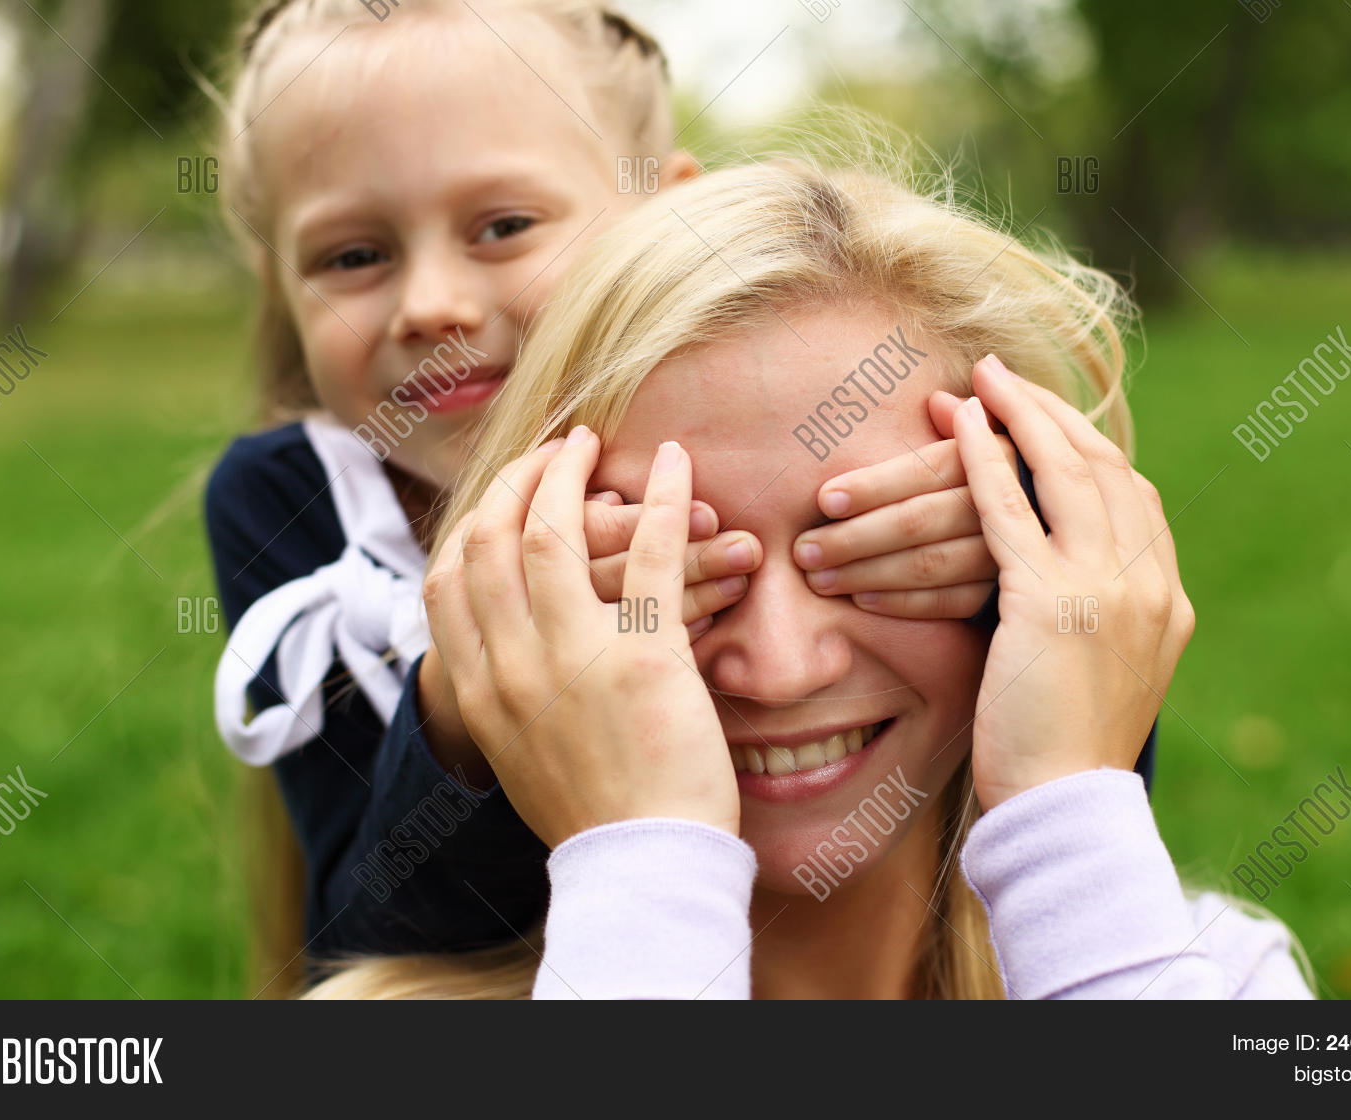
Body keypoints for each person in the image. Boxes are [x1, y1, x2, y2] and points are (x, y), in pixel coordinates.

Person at [309, 158, 1310, 998]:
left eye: (877, 552)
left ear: (1044, 550)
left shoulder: (1217, 977)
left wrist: (1067, 812)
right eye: (666, 568)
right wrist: (645, 863)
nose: (778, 668)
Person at [203, 1, 1012, 966]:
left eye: (503, 227)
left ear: (664, 217)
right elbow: (363, 937)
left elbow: (1077, 764)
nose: (430, 305)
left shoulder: (753, 409)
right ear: (280, 283)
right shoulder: (291, 496)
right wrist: (464, 701)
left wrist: (1012, 563)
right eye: (353, 256)